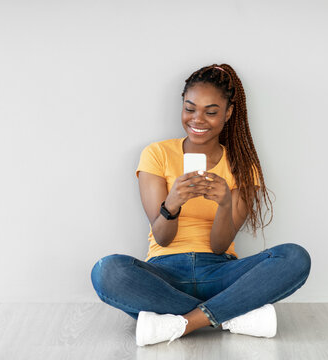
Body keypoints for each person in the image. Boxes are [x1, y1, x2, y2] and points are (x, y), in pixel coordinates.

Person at [91, 64, 311, 346]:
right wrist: (172, 204)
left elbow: (220, 246)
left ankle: (184, 323)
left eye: (211, 111)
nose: (198, 119)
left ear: (228, 113)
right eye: (190, 108)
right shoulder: (157, 154)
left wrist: (224, 203)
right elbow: (163, 237)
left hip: (221, 272)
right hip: (165, 275)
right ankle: (229, 314)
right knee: (107, 271)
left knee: (295, 257)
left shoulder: (243, 166)